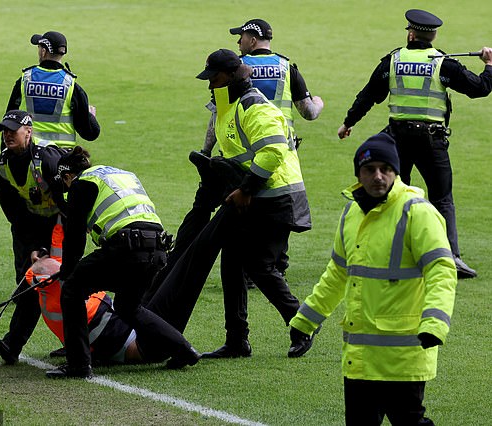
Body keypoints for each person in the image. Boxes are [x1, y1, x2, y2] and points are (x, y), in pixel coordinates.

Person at [289, 133, 457, 425]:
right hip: (360, 359)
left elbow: (441, 269)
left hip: (402, 357)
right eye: (369, 170)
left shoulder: (417, 212)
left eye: (385, 169)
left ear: (396, 171)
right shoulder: (352, 212)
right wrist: (306, 320)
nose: (378, 176)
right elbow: (338, 272)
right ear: (358, 174)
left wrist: (435, 323)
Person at [337, 9, 492, 279]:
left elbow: (369, 94)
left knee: (395, 195)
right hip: (431, 140)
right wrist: (489, 65)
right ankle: (450, 256)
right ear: (432, 34)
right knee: (442, 198)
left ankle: (388, 251)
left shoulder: (393, 60)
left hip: (396, 139)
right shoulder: (443, 63)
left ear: (410, 33)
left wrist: (348, 122)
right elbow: (479, 88)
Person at [195, 49, 312, 359]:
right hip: (253, 196)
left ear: (232, 76)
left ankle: (302, 324)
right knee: (231, 264)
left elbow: (273, 151)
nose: (210, 85)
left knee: (259, 266)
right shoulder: (228, 105)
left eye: (214, 79)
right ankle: (236, 341)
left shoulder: (253, 105)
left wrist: (246, 189)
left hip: (275, 196)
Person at [45, 147, 200, 379]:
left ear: (67, 176)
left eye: (64, 184)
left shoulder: (81, 183)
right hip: (157, 249)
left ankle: (78, 364)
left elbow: (75, 236)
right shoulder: (119, 175)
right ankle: (184, 349)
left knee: (72, 289)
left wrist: (67, 271)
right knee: (129, 307)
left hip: (126, 247)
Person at [0, 110, 65, 365]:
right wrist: (34, 246)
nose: (8, 135)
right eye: (5, 130)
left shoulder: (48, 158)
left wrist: (51, 243)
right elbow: (15, 214)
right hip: (29, 225)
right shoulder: (1, 167)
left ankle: (78, 341)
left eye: (14, 130)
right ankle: (12, 345)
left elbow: (69, 199)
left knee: (64, 282)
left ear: (29, 132)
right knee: (29, 281)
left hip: (61, 222)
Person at [229, 18, 324, 150]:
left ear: (252, 41)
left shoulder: (235, 69)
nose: (238, 42)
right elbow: (309, 113)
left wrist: (206, 150)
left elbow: (218, 112)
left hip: (244, 147)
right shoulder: (286, 68)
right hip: (282, 148)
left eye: (241, 37)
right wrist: (318, 103)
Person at [3, 30, 100, 149]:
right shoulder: (71, 85)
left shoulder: (25, 80)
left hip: (29, 154)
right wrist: (90, 116)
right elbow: (90, 134)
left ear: (44, 52)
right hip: (61, 157)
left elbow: (9, 119)